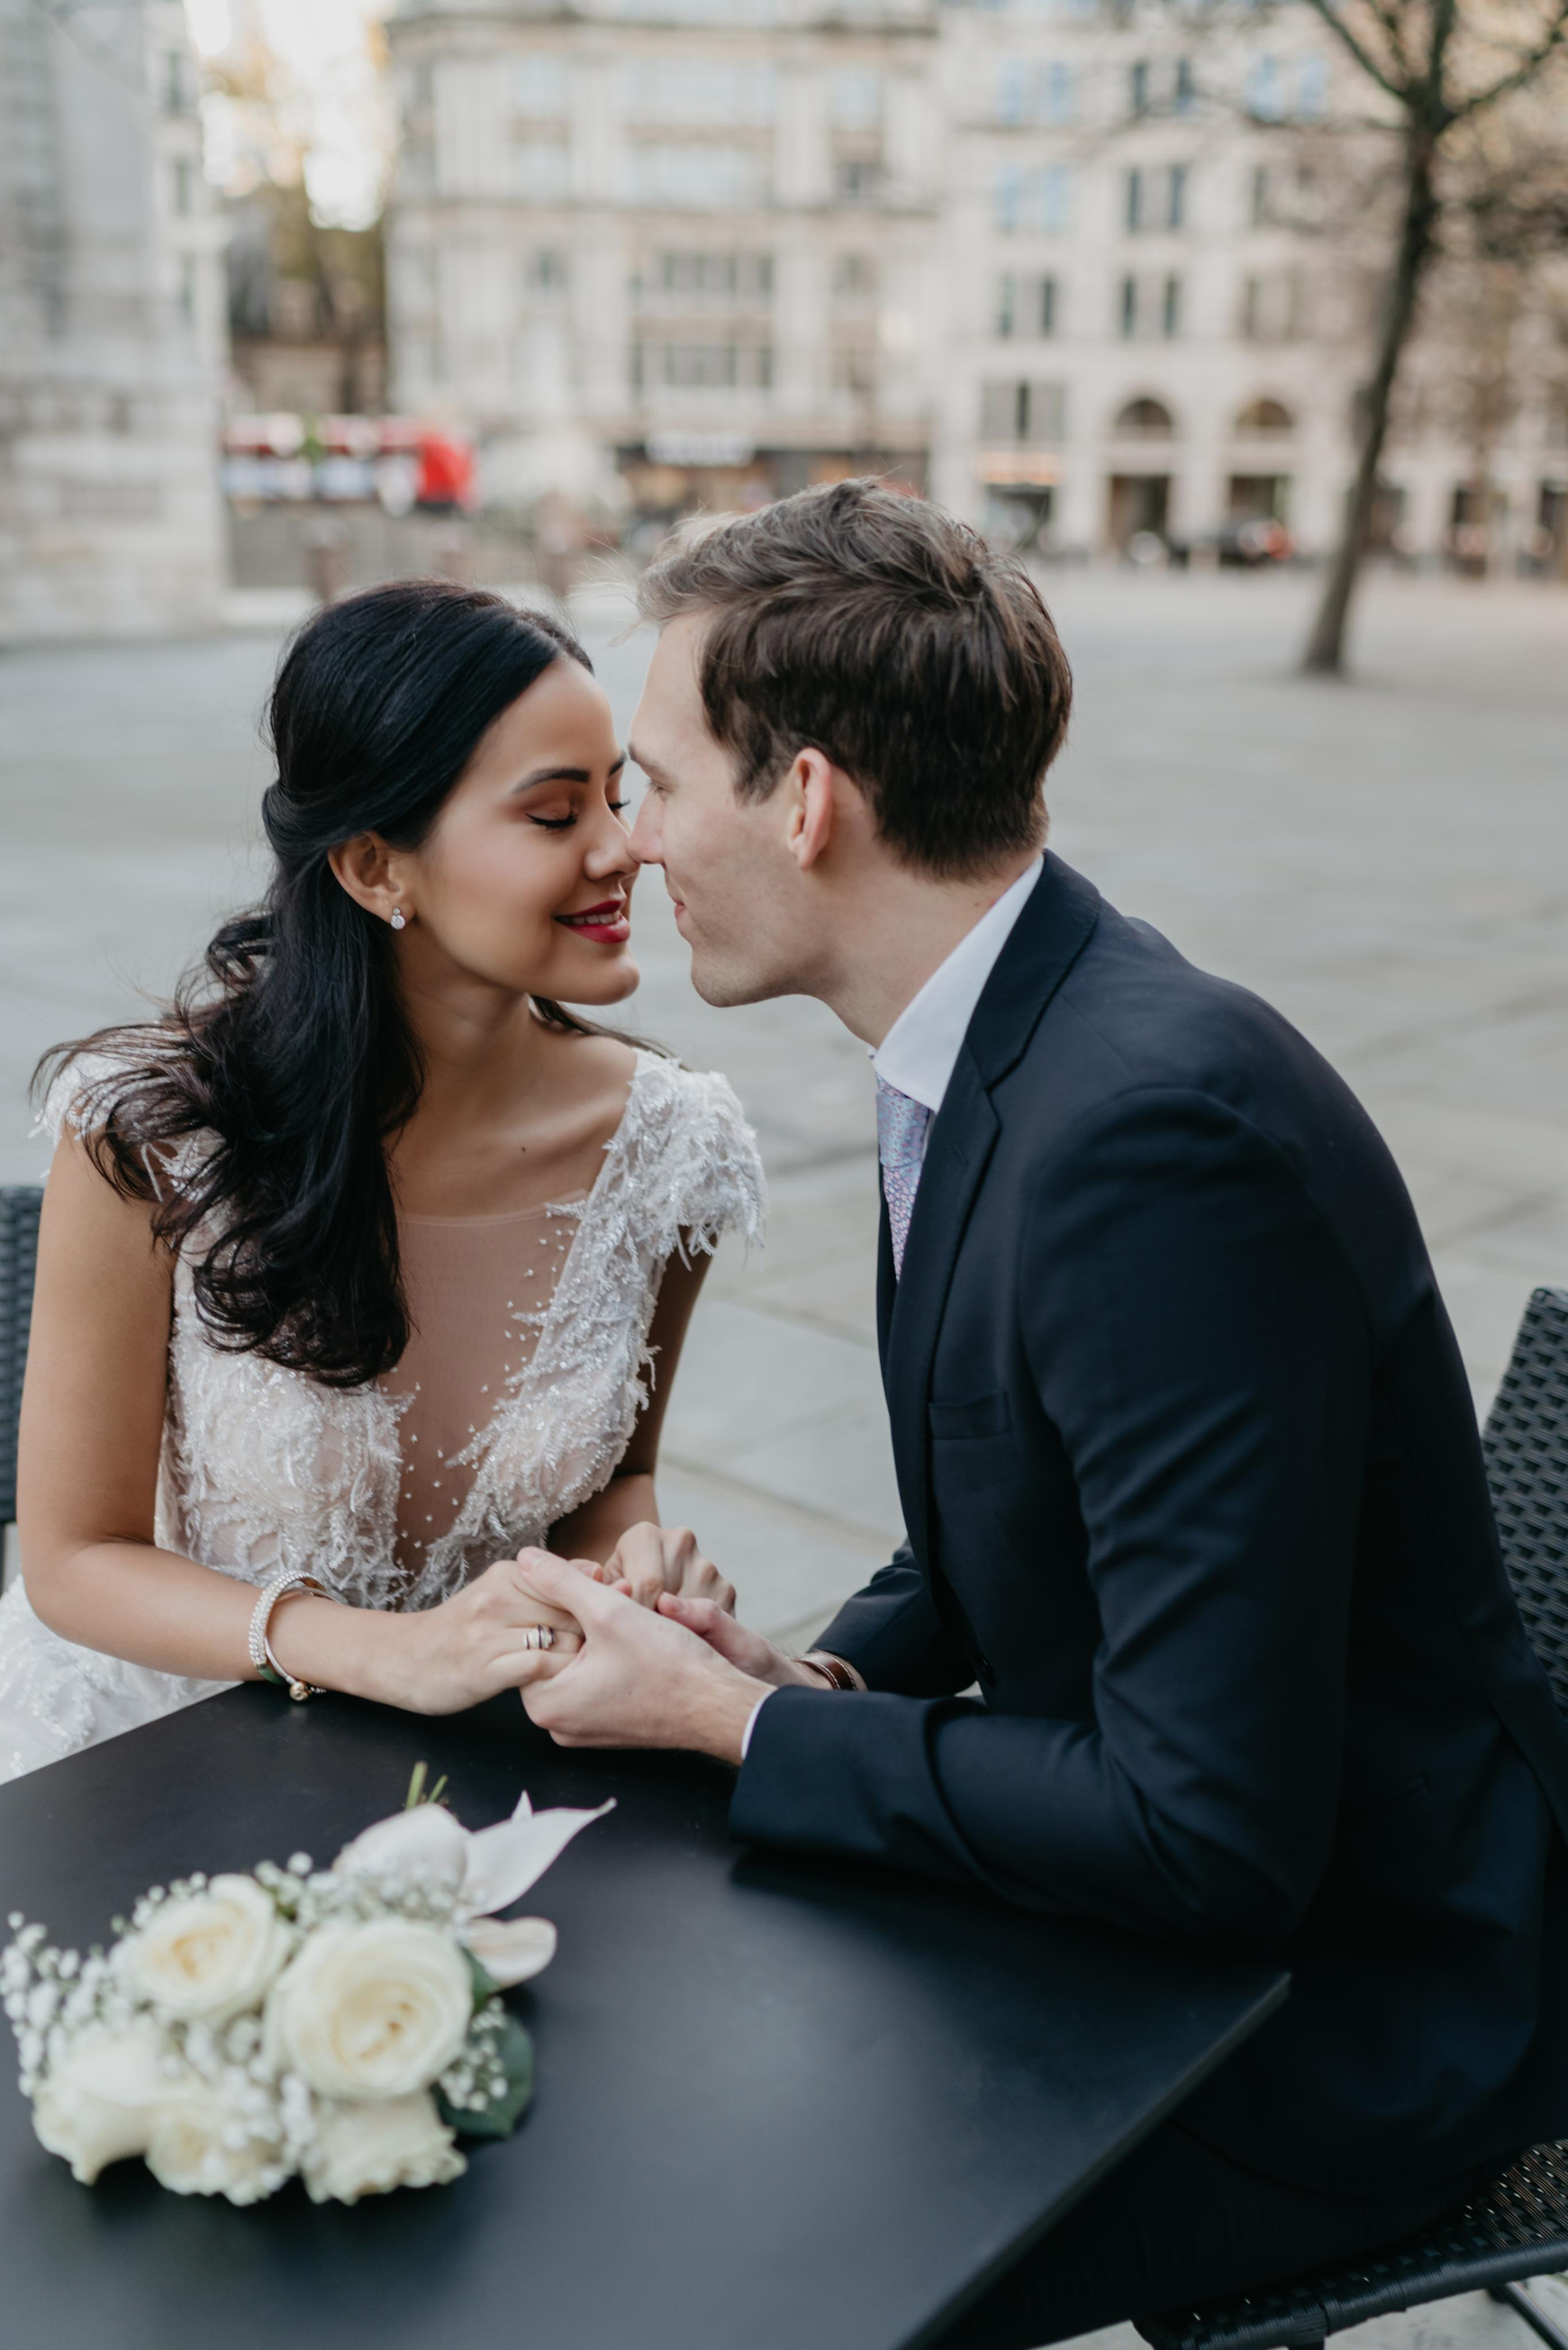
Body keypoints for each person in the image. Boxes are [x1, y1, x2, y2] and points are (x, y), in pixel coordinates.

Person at [508, 481, 1568, 2343]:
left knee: (678, 2254)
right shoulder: (1016, 1032)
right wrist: (811, 1677)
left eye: (662, 780)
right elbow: (1005, 1503)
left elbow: (1204, 1836)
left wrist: (743, 1728)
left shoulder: (1153, 1141)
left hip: (1345, 2005)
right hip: (1195, 1901)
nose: (637, 840)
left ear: (809, 796)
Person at [3, 580, 762, 1783]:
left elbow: (611, 1478)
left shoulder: (670, 1145)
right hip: (138, 1760)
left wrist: (632, 1570)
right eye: (557, 812)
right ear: (372, 865)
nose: (627, 848)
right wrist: (377, 1651)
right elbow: (74, 1556)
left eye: (616, 796)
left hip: (477, 1767)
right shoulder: (148, 1130)